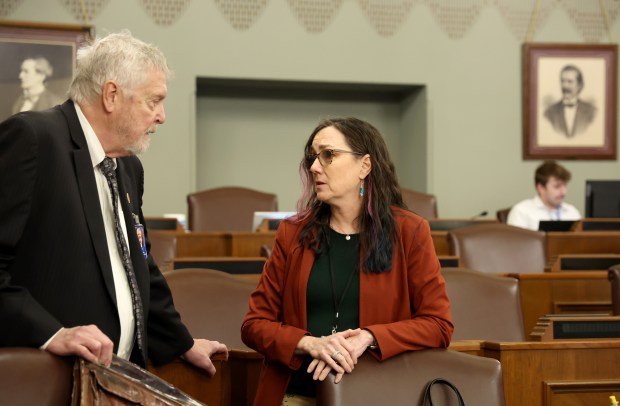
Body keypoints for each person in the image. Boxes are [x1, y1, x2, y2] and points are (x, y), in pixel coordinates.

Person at [0, 31, 227, 374]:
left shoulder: (127, 166)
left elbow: (139, 267)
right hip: (48, 378)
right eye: (154, 101)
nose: (162, 116)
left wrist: (182, 343)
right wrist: (51, 333)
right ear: (111, 95)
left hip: (117, 378)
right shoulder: (33, 140)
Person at [241, 117, 453, 406]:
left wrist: (369, 336)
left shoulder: (409, 231)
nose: (314, 167)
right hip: (298, 394)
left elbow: (438, 325)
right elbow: (254, 325)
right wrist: (309, 343)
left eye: (328, 155)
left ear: (364, 166)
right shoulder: (293, 233)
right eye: (312, 157)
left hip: (378, 396)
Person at [507, 160, 581, 231]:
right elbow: (515, 243)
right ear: (541, 188)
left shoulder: (572, 212)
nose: (563, 192)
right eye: (557, 186)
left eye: (565, 185)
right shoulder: (521, 212)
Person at [544, 64, 596, 138]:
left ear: (580, 85)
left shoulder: (592, 112)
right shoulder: (549, 113)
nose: (565, 86)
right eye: (563, 81)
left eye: (569, 81)